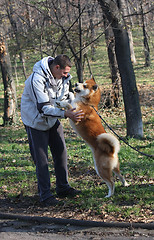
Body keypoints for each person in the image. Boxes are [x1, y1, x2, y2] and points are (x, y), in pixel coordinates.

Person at [21, 54, 84, 206]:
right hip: (35, 120)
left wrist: (76, 104)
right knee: (42, 160)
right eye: (64, 72)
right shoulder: (37, 78)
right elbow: (43, 108)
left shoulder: (62, 77)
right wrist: (65, 114)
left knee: (61, 152)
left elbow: (63, 97)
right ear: (56, 67)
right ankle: (45, 196)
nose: (66, 75)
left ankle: (63, 187)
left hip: (52, 118)